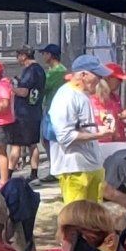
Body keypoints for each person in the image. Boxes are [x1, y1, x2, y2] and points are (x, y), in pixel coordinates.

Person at [47, 55, 107, 203]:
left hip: (91, 166)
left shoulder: (83, 95)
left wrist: (103, 124)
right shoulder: (66, 96)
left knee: (94, 219)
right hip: (74, 169)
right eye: (97, 75)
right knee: (76, 219)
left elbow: (85, 126)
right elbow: (65, 136)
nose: (100, 80)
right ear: (83, 75)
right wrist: (100, 134)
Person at [9, 48, 46, 176]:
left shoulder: (30, 70)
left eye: (18, 55)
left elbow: (24, 92)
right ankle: (34, 173)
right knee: (32, 144)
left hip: (24, 113)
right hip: (35, 111)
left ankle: (7, 174)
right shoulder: (40, 70)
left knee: (16, 144)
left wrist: (11, 88)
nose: (17, 58)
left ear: (24, 56)